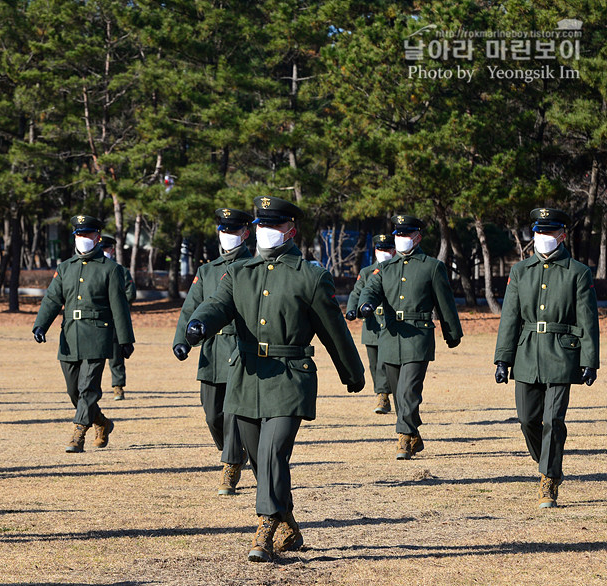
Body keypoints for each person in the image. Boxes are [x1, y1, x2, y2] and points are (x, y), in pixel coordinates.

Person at [185, 196, 365, 562]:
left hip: (289, 378)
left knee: (271, 452)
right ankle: (288, 523)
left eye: (274, 224)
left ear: (291, 230)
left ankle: (265, 529)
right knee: (258, 458)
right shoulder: (239, 273)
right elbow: (219, 304)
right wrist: (200, 323)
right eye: (261, 224)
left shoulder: (310, 276)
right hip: (246, 379)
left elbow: (334, 332)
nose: (266, 231)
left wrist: (352, 373)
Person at [494, 207, 599, 508]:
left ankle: (549, 478)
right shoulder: (520, 271)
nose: (542, 237)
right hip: (527, 353)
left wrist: (589, 360)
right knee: (528, 419)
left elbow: (588, 320)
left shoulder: (578, 272)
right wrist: (503, 359)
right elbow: (510, 318)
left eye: (549, 231)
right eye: (538, 231)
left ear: (562, 235)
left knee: (553, 420)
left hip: (562, 355)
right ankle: (548, 462)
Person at [357, 214, 463, 460]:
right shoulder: (384, 268)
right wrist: (365, 305)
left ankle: (403, 438)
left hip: (418, 335)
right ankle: (414, 435)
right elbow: (371, 290)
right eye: (398, 234)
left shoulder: (431, 266)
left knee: (408, 392)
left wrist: (452, 333)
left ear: (418, 237)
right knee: (397, 393)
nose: (401, 239)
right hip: (391, 336)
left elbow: (444, 303)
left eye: (405, 234)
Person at [33, 215, 135, 452]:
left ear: (97, 237)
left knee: (89, 388)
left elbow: (119, 306)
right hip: (69, 335)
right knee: (74, 391)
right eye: (79, 235)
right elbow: (52, 299)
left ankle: (77, 434)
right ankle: (102, 422)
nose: (82, 239)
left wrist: (125, 339)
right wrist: (41, 325)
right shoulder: (66, 268)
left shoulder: (110, 269)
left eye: (87, 234)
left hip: (98, 336)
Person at [172, 207, 253, 496]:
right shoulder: (207, 271)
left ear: (245, 233)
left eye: (233, 230)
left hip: (239, 349)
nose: (227, 235)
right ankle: (235, 452)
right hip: (211, 351)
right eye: (223, 229)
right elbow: (191, 309)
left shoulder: (252, 267)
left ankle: (230, 466)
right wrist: (183, 340)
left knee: (232, 413)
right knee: (212, 415)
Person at [346, 234, 395, 414]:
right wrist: (352, 310)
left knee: (385, 363)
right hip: (372, 325)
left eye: (387, 249)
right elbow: (356, 293)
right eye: (380, 249)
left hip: (391, 325)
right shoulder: (367, 272)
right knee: (374, 364)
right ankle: (382, 394)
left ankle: (384, 395)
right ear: (375, 251)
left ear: (394, 250)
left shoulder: (397, 270)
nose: (384, 253)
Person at [99, 234, 136, 400]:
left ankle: (118, 386)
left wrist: (117, 304)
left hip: (113, 320)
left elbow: (130, 293)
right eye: (101, 249)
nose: (104, 252)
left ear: (112, 250)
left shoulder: (120, 271)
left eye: (106, 249)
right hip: (99, 319)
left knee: (116, 356)